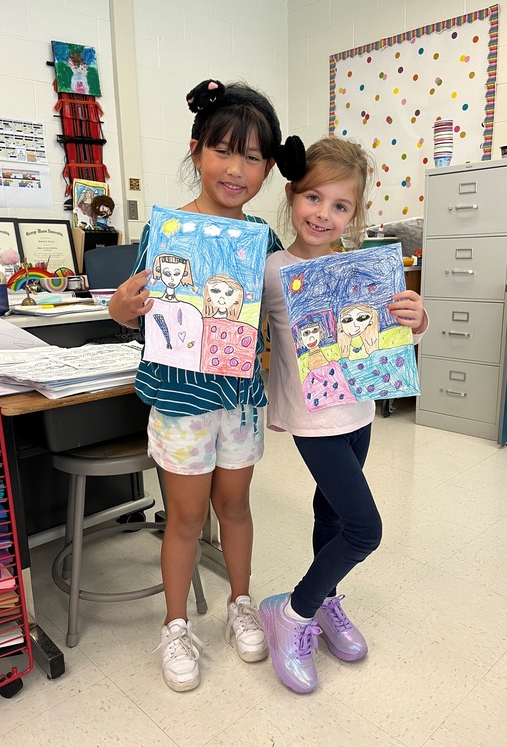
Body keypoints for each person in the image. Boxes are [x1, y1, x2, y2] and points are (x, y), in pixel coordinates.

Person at [108, 78, 305, 692]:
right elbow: (136, 313)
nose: (236, 168)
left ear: (269, 168)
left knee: (237, 508)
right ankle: (174, 627)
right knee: (186, 519)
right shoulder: (165, 233)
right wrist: (120, 308)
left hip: (240, 404)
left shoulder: (263, 242)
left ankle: (240, 604)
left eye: (252, 157)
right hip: (181, 404)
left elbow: (289, 310)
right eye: (224, 150)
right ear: (196, 152)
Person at [259, 136, 428, 694]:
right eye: (312, 198)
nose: (322, 214)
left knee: (330, 516)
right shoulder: (272, 269)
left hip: (358, 413)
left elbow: (389, 335)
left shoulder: (364, 270)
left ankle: (327, 599)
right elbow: (236, 331)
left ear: (355, 214)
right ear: (291, 196)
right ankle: (293, 614)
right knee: (364, 529)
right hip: (313, 422)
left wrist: (414, 318)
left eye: (340, 206)